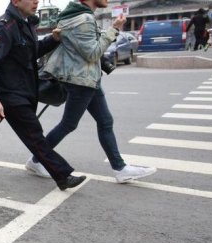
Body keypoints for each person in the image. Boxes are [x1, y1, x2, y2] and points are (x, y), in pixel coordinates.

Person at [0, 0, 87, 191]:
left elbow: (30, 54)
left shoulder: (26, 24)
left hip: (19, 91)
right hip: (9, 95)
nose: (36, 2)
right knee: (34, 135)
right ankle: (62, 174)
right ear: (16, 1)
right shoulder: (3, 27)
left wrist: (53, 40)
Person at [34, 0, 156, 183]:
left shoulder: (78, 15)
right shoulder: (83, 19)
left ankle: (120, 168)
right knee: (69, 124)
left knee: (105, 121)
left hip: (89, 79)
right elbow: (92, 53)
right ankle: (37, 159)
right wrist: (114, 29)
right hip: (81, 81)